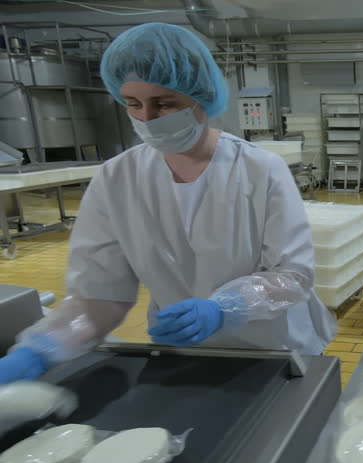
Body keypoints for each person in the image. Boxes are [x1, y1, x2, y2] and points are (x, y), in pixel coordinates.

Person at [0, 23, 336, 385]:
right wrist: (44, 348)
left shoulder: (258, 169)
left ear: (202, 97)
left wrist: (227, 308)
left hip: (274, 349)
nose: (146, 118)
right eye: (133, 103)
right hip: (183, 350)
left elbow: (293, 276)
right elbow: (100, 295)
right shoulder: (117, 179)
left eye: (165, 103)